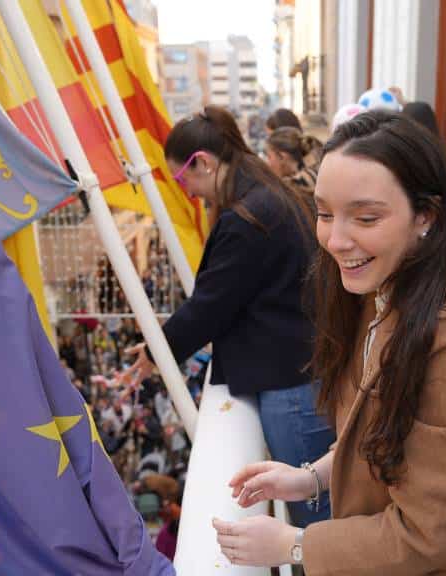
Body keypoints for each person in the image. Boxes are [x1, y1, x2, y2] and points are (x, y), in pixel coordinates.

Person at [212, 111, 446, 575]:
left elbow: (423, 533)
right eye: (324, 213)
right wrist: (311, 478)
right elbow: (389, 436)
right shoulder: (386, 290)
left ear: (426, 216)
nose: (336, 239)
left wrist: (293, 545)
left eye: (366, 217)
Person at [126, 105, 335, 527]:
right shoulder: (267, 193)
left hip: (291, 388)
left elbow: (210, 305)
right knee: (318, 514)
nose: (190, 193)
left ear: (202, 162)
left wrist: (155, 353)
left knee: (314, 521)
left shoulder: (247, 217)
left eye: (184, 180)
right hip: (304, 375)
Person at [265, 126, 322, 196]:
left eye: (269, 157)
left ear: (282, 157)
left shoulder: (294, 187)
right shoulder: (317, 172)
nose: (268, 163)